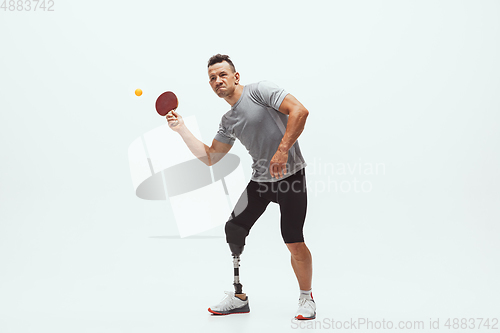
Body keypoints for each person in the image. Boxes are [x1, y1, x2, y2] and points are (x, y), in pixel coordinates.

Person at [166, 54, 315, 320]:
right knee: (234, 227)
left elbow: (300, 111)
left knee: (293, 240)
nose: (217, 80)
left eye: (222, 74)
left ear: (236, 77)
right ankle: (238, 296)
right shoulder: (228, 121)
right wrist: (181, 129)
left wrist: (282, 152)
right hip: (261, 181)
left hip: (290, 177)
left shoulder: (260, 91)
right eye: (212, 78)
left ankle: (306, 298)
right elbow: (211, 157)